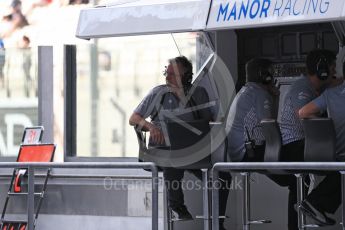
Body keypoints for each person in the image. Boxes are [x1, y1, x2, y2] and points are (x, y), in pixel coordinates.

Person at [129, 56, 231, 230]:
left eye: (172, 74)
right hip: (162, 148)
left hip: (193, 150)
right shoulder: (157, 93)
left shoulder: (200, 94)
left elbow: (214, 119)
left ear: (186, 76)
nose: (167, 77)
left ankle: (217, 223)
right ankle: (177, 206)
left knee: (222, 176)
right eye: (166, 73)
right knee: (173, 160)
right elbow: (134, 118)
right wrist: (151, 127)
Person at [226, 58, 300, 230]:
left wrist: (275, 96)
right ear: (263, 75)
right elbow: (269, 123)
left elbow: (268, 121)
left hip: (239, 153)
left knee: (293, 172)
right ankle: (295, 227)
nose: (273, 76)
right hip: (250, 154)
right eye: (271, 72)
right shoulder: (259, 93)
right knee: (297, 177)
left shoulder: (247, 91)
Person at [297, 73, 345, 227]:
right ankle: (315, 202)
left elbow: (303, 112)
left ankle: (315, 203)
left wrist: (327, 127)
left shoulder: (331, 93)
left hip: (334, 151)